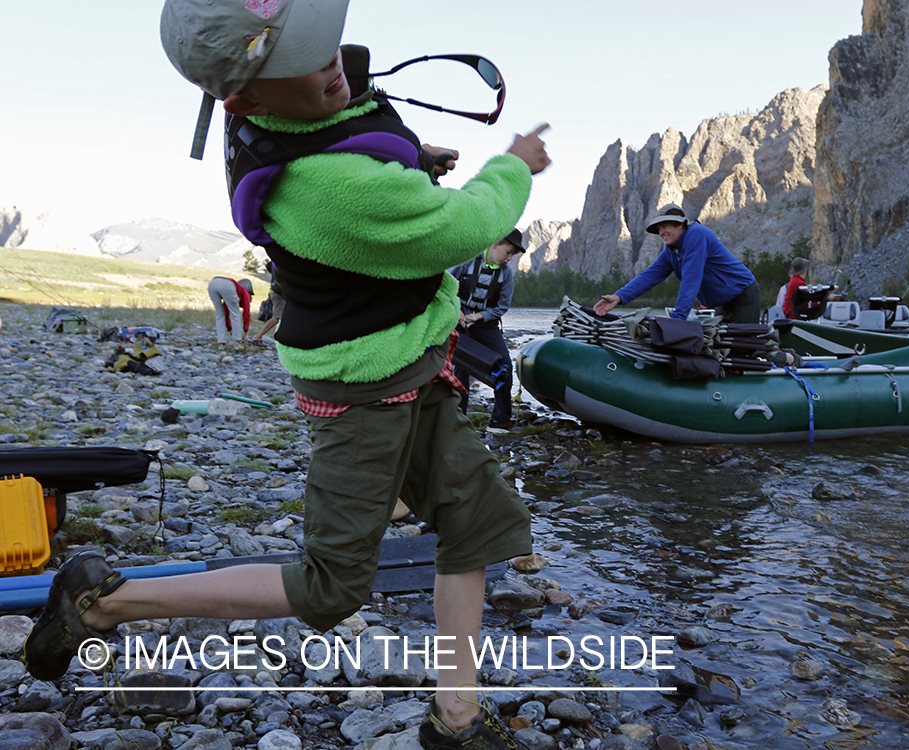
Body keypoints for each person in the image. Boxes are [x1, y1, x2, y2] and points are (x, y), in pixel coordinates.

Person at [23, 3, 551, 749]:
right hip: (364, 389)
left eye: (321, 36)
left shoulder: (298, 113)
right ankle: (104, 602)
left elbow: (353, 144)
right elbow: (456, 231)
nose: (332, 58)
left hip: (415, 361)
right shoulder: (325, 186)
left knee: (474, 524)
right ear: (244, 97)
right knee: (331, 588)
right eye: (304, 54)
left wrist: (414, 160)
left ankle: (456, 718)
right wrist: (512, 165)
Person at [594, 204, 760, 323]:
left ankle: (785, 360)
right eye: (658, 229)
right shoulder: (671, 251)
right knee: (725, 346)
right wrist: (618, 297)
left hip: (742, 294)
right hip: (723, 301)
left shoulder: (697, 235)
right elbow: (649, 276)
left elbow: (691, 278)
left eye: (664, 226)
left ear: (680, 224)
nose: (661, 232)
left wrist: (677, 321)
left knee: (746, 346)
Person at [449, 229, 525, 430]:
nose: (509, 258)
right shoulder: (466, 260)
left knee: (504, 366)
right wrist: (457, 310)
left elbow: (501, 307)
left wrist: (480, 316)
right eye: (507, 252)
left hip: (486, 325)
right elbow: (445, 284)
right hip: (459, 321)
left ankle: (500, 420)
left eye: (512, 255)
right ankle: (458, 418)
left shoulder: (506, 275)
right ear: (495, 243)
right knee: (461, 370)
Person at [207, 276, 253, 345]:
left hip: (212, 283)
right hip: (227, 285)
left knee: (219, 313)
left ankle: (221, 341)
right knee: (235, 313)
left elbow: (225, 312)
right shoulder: (246, 293)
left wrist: (230, 328)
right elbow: (246, 313)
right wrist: (245, 331)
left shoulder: (234, 293)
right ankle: (237, 341)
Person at [251, 261, 286, 345]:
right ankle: (258, 337)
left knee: (285, 315)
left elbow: (268, 265)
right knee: (277, 317)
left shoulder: (275, 261)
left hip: (276, 289)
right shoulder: (281, 261)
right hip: (279, 291)